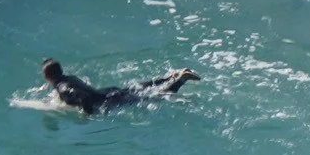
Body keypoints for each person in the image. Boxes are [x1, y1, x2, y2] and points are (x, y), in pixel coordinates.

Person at [40, 58, 200, 115]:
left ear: (48, 77)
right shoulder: (68, 78)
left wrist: (86, 114)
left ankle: (181, 79)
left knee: (154, 96)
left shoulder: (62, 88)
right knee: (139, 88)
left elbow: (82, 97)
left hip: (106, 101)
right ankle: (170, 76)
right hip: (107, 91)